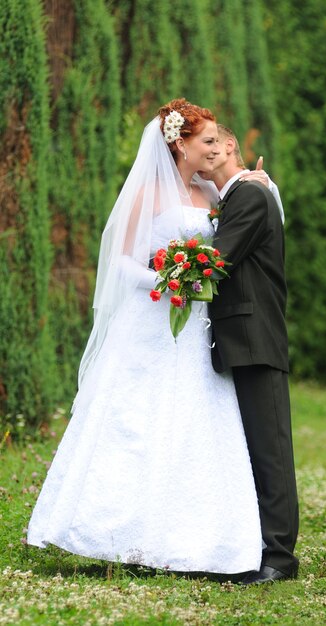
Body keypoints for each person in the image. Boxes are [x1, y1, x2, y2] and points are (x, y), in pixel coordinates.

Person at [27, 99, 264, 574]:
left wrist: (254, 180)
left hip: (196, 325)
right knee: (135, 418)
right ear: (180, 144)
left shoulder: (209, 193)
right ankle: (116, 532)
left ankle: (195, 538)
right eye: (209, 141)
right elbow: (118, 259)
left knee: (196, 414)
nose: (218, 147)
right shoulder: (147, 195)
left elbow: (230, 232)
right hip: (152, 319)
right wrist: (166, 282)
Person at [208, 125, 299, 584]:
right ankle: (255, 547)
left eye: (210, 143)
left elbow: (217, 259)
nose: (202, 152)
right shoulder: (240, 193)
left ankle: (280, 558)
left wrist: (159, 264)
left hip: (255, 335)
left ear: (230, 146)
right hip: (241, 338)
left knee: (270, 451)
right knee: (252, 451)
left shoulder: (247, 194)